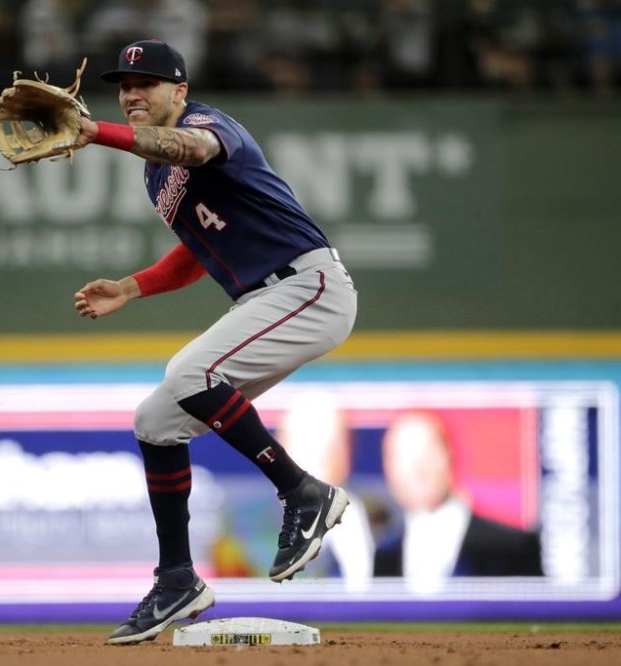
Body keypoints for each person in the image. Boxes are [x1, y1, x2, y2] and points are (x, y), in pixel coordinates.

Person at [72, 39, 359, 644]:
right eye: (124, 86)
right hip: (266, 299)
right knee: (156, 419)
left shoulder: (207, 124)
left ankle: (303, 492)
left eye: (146, 83)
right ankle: (178, 578)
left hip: (309, 286)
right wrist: (131, 286)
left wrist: (94, 132)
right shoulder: (157, 175)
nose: (131, 94)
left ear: (178, 90)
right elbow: (195, 255)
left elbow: (192, 147)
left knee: (189, 373)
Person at [374, 410, 544, 593]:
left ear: (449, 454)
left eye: (427, 452)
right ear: (388, 468)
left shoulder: (511, 548)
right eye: (403, 456)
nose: (418, 468)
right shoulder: (383, 556)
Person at [276, 392, 374, 590]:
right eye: (309, 439)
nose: (325, 455)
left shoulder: (377, 522)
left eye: (335, 442)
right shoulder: (246, 525)